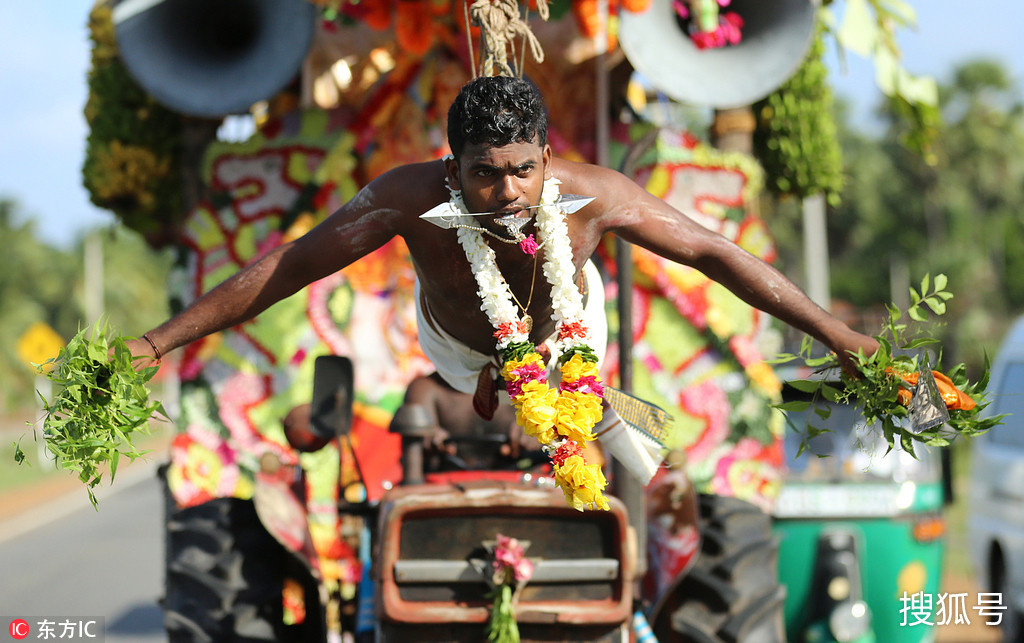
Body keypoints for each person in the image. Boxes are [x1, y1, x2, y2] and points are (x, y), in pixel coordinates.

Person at [129, 75, 875, 395]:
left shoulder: (595, 197)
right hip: (453, 351)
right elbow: (291, 264)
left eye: (523, 169)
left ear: (547, 158)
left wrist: (838, 335)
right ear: (452, 168)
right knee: (434, 416)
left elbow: (713, 251)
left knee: (620, 449)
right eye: (487, 173)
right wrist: (158, 343)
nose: (509, 191)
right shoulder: (404, 198)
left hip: (572, 338)